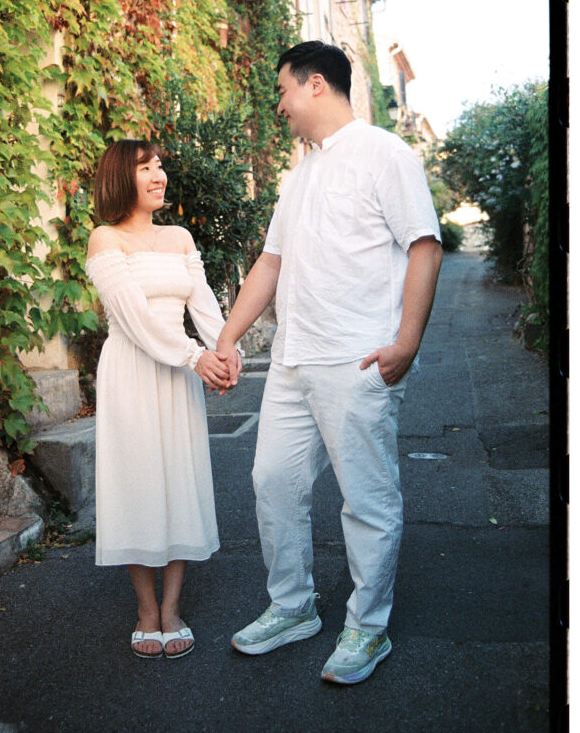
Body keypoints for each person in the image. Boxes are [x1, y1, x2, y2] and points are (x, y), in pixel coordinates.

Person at [217, 41, 443, 684]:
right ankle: (293, 608)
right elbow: (271, 262)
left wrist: (406, 342)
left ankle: (368, 627)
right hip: (293, 359)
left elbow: (424, 247)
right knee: (273, 483)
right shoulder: (303, 173)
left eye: (283, 90)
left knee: (366, 499)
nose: (279, 104)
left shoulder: (384, 153)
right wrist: (230, 337)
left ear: (315, 84)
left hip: (358, 358)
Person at [85, 139, 235, 660]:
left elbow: (206, 305)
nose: (159, 175)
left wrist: (225, 350)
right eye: (146, 167)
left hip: (178, 374)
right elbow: (133, 318)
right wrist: (196, 358)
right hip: (133, 371)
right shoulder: (104, 239)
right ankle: (146, 612)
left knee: (179, 478)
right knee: (140, 481)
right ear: (120, 178)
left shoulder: (179, 236)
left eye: (160, 166)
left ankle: (173, 608)